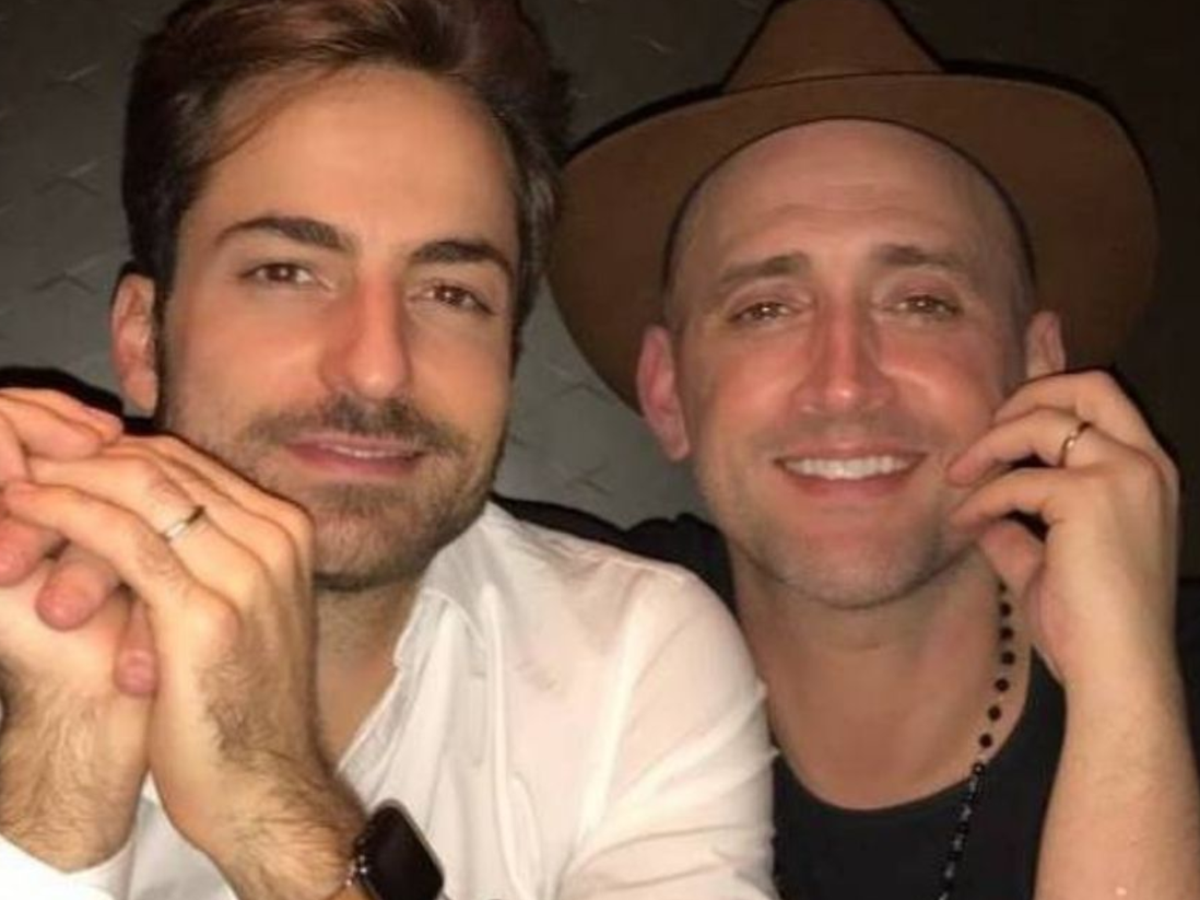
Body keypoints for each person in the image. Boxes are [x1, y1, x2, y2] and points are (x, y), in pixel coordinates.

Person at [0, 1, 775, 898]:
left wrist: (274, 808)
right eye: (286, 272)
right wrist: (50, 802)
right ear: (143, 339)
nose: (376, 368)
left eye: (450, 292)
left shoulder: (630, 658)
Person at [545, 0, 1200, 898]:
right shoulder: (539, 651)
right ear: (668, 393)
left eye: (922, 302)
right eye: (765, 310)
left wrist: (1126, 695)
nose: (845, 383)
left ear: (1036, 368)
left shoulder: (1173, 687)